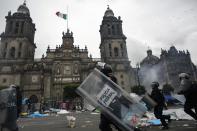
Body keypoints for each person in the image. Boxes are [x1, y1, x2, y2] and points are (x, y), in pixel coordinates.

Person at [98, 63, 122, 131]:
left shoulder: (112, 80)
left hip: (112, 106)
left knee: (119, 125)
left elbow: (115, 90)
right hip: (106, 106)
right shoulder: (103, 81)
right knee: (104, 126)